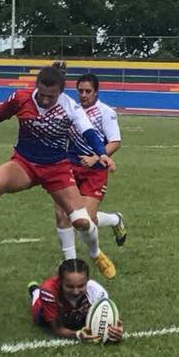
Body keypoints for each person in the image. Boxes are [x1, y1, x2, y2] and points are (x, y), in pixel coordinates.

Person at [0, 66, 119, 278]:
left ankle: (95, 252)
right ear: (36, 86)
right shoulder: (20, 98)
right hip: (25, 163)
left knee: (83, 222)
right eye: (42, 94)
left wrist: (101, 153)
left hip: (57, 169)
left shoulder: (70, 107)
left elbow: (89, 132)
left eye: (52, 96)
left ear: (61, 93)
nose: (46, 100)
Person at [55, 73, 127, 261]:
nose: (84, 95)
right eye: (81, 91)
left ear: (96, 92)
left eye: (88, 91)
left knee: (85, 219)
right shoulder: (72, 109)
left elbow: (115, 142)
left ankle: (115, 220)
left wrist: (96, 158)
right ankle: (70, 263)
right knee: (63, 213)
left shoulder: (105, 112)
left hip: (95, 171)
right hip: (69, 166)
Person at [28, 259, 124, 342]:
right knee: (37, 296)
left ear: (87, 281)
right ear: (60, 281)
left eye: (81, 286)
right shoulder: (49, 292)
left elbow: (108, 314)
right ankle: (34, 290)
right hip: (41, 310)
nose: (76, 292)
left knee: (77, 320)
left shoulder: (96, 291)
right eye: (70, 286)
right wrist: (78, 335)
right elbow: (57, 329)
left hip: (74, 314)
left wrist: (116, 329)